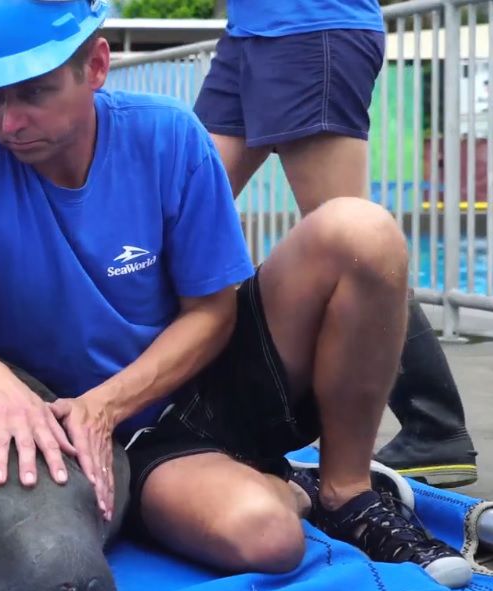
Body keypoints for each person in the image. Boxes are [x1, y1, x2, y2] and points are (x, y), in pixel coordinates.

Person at [0, 0, 472, 589]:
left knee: (362, 231)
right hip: (143, 442)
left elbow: (213, 310)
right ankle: (296, 488)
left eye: (35, 92)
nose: (10, 122)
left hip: (210, 375)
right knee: (268, 538)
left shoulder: (170, 136)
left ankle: (347, 489)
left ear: (95, 66)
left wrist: (107, 401)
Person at [194, 0, 478, 488]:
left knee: (354, 247)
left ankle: (434, 427)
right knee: (184, 208)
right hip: (249, 32)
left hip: (310, 25)